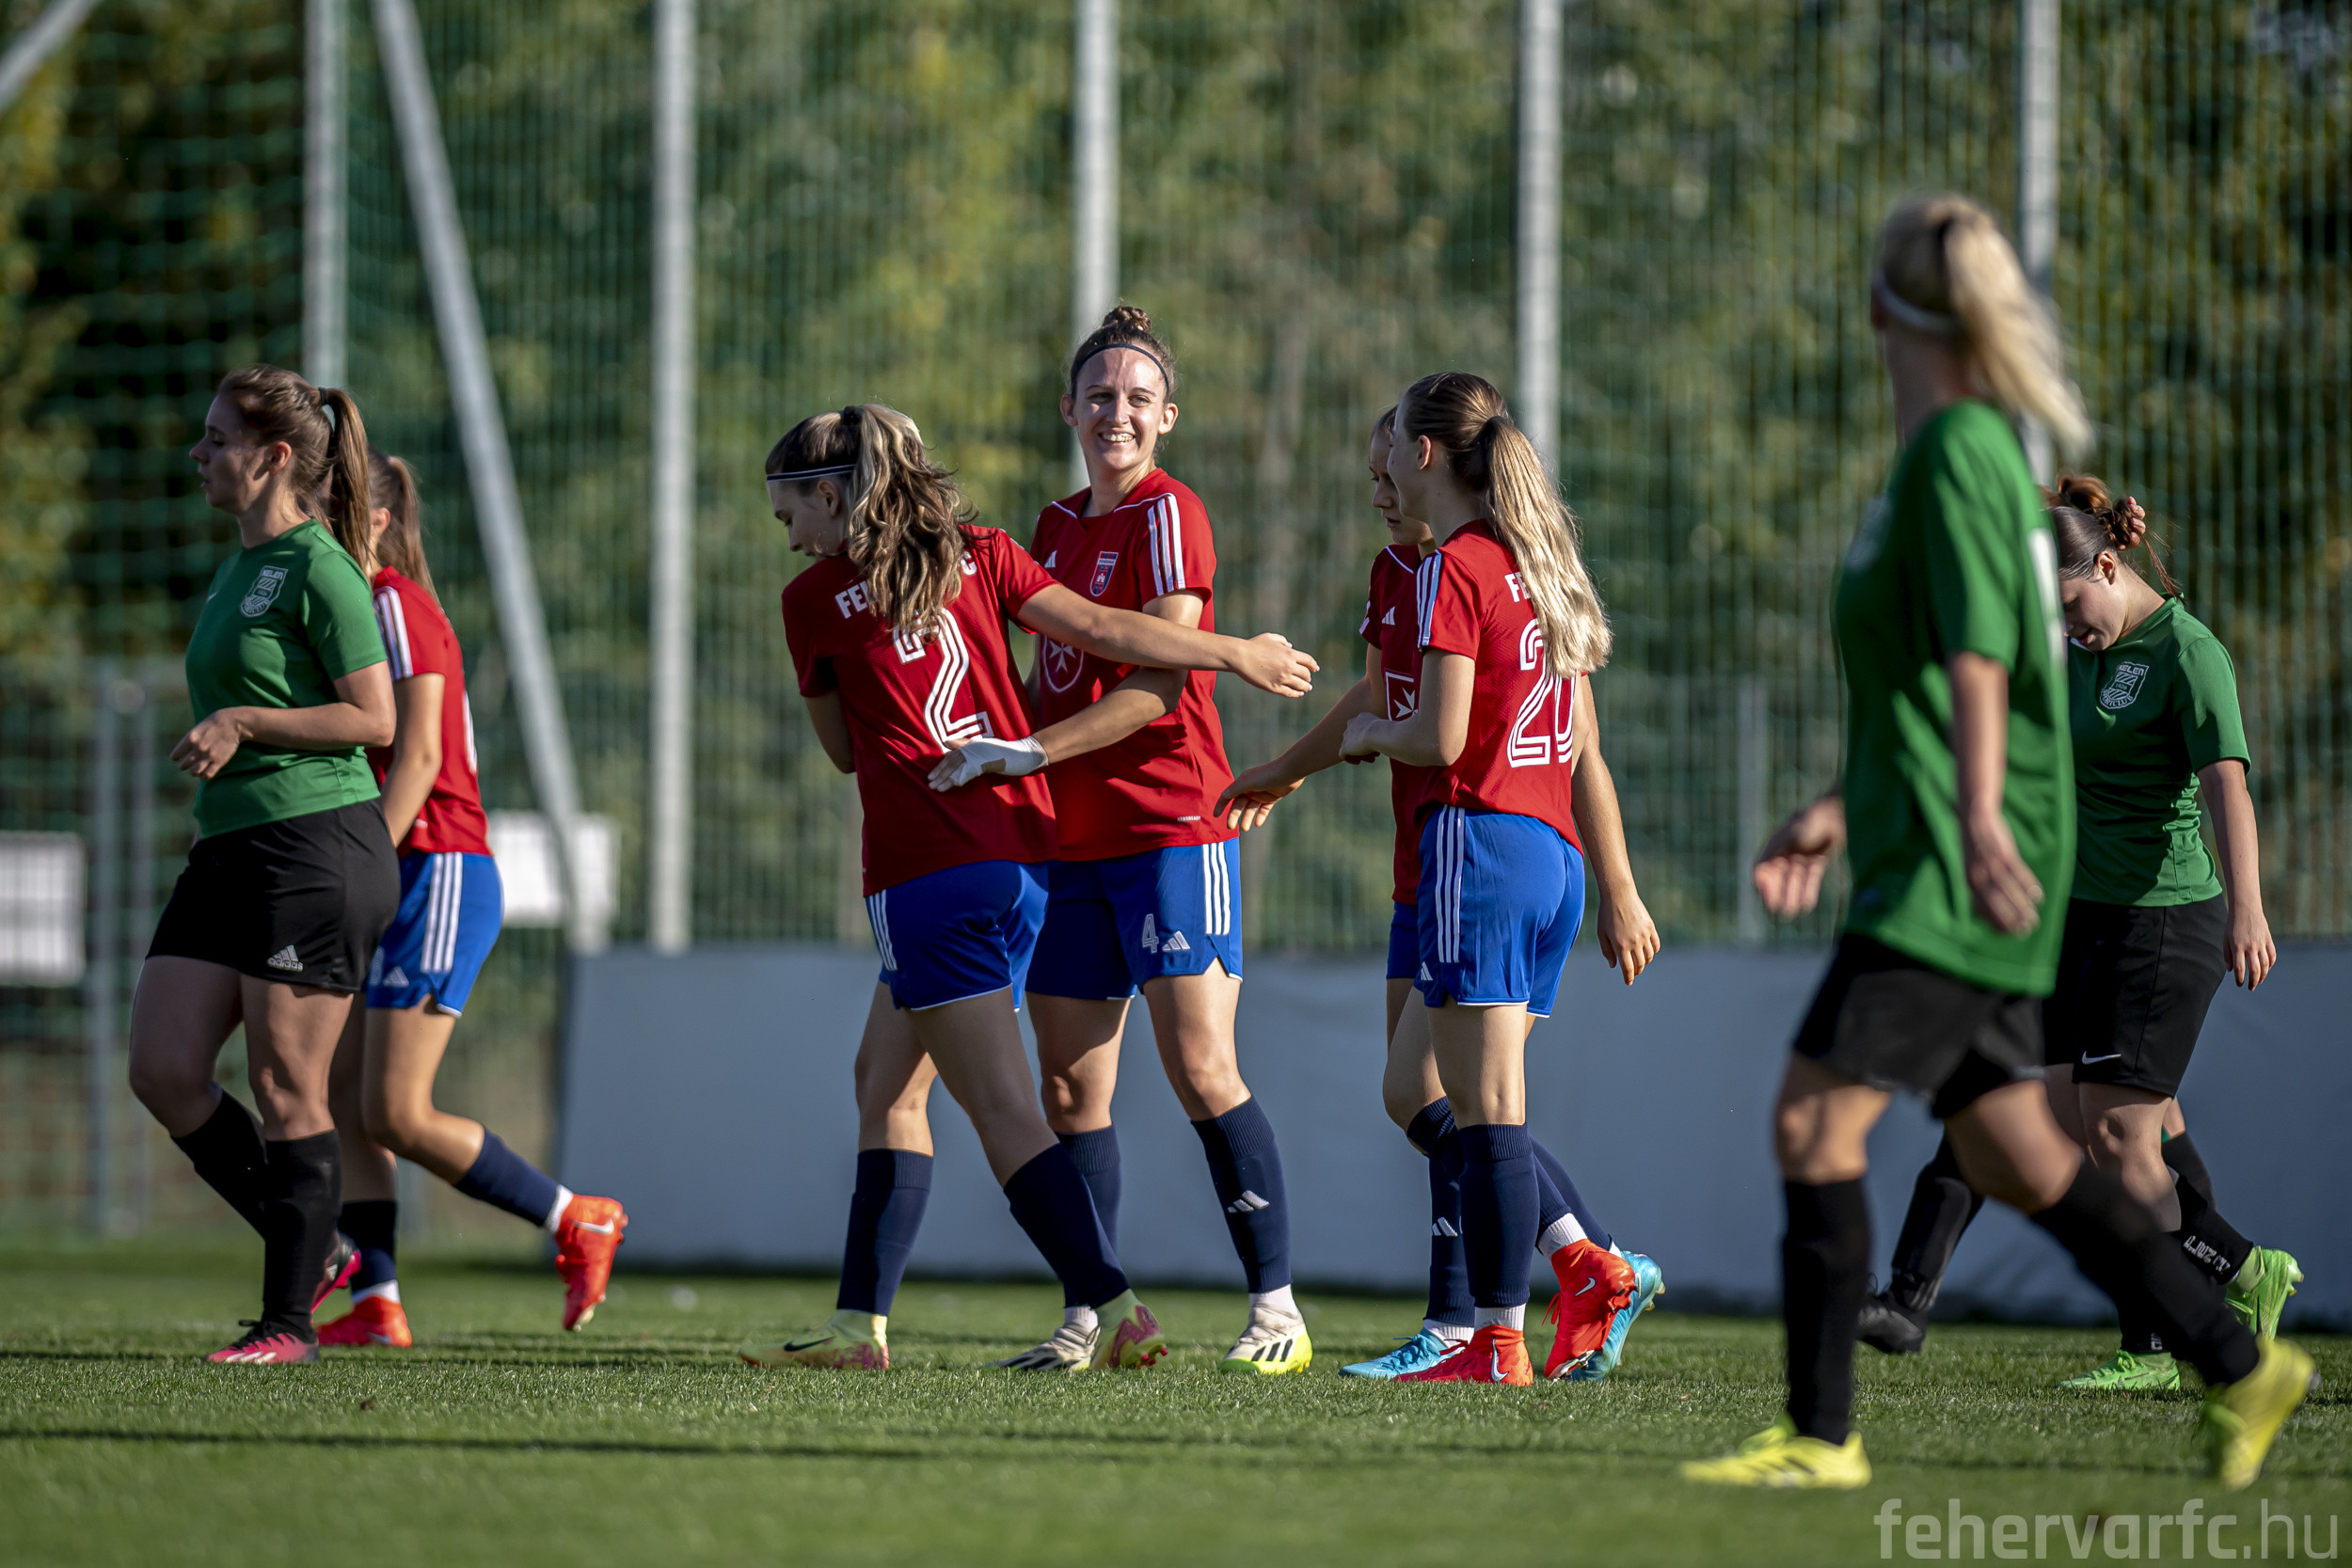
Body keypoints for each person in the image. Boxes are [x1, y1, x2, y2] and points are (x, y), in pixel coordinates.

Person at [1681, 194, 2308, 1492]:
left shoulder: (1964, 453)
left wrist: (1973, 821)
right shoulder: (1934, 461)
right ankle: (2241, 1362)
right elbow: (1933, 682)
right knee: (2018, 1149)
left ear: (1880, 307)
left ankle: (1819, 1435)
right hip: (1922, 847)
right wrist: (1840, 805)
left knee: (1810, 1118)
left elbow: (1982, 661)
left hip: (1950, 878)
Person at [753, 403, 1318, 1371]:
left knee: (1006, 1111)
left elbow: (844, 752)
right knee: (885, 1082)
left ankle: (1115, 1306)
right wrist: (1234, 651)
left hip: (928, 867)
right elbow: (1103, 628)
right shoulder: (983, 551)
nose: (791, 535)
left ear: (832, 496)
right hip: (1027, 855)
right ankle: (858, 1324)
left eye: (791, 513)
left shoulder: (812, 600)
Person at [1216, 406, 1663, 1383]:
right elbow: (1383, 695)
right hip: (1471, 859)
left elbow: (1446, 731)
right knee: (1427, 1093)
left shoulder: (1467, 568)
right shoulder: (1476, 568)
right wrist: (1290, 768)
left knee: (1477, 1101)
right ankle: (1555, 1277)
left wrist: (1624, 888)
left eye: (1388, 467)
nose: (1378, 488)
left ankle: (1492, 1321)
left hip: (1476, 848)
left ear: (1428, 457)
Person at [1854, 476, 2299, 1386]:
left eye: (2068, 608)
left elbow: (2227, 784)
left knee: (2118, 1140)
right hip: (2080, 919)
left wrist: (2248, 907)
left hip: (2164, 918)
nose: (2065, 628)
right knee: (2080, 1121)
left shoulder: (2187, 652)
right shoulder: (2071, 655)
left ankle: (2193, 1312)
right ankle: (2221, 1287)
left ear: (2105, 568)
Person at [937, 307, 1312, 1374]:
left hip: (1170, 828)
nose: (1118, 413)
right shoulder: (1055, 524)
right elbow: (1047, 669)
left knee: (1201, 1065)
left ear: (1167, 417)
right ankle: (1094, 1316)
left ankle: (1277, 1312)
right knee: (1070, 1091)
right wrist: (987, 745)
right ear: (1068, 408)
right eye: (1100, 395)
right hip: (1071, 843)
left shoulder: (1167, 511)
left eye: (1139, 398)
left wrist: (1028, 751)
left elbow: (1158, 684)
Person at [315, 450, 630, 1349]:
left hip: (437, 867)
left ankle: (575, 1216)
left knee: (395, 1110)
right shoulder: (361, 606)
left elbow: (418, 758)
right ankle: (377, 1300)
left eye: (325, 508)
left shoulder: (392, 601)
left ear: (376, 520)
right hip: (405, 866)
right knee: (345, 1091)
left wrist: (357, 867)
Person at [126, 366, 400, 1364]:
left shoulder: (321, 565)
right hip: (230, 850)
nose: (197, 453)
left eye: (216, 439)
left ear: (274, 457)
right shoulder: (237, 565)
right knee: (162, 1067)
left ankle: (287, 1324)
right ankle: (314, 1244)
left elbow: (376, 718)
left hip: (314, 848)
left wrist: (244, 719)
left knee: (288, 1082)